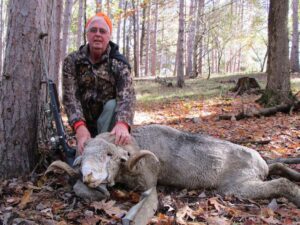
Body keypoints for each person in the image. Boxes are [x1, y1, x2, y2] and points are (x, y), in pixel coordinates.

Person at [63, 12, 136, 154]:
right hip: (83, 122)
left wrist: (122, 123)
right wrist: (79, 127)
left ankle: (103, 149)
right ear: (87, 34)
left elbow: (128, 97)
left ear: (109, 37)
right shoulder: (72, 61)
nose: (97, 34)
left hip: (109, 124)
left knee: (112, 105)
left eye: (102, 31)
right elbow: (70, 98)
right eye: (93, 30)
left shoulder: (119, 63)